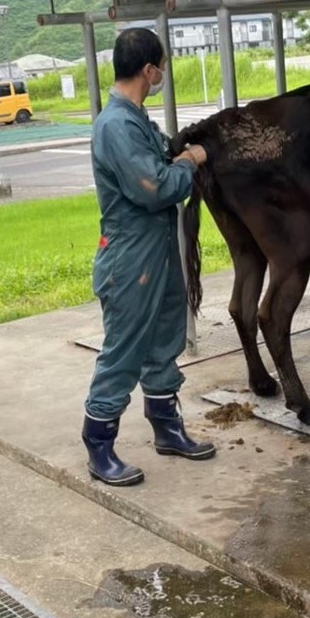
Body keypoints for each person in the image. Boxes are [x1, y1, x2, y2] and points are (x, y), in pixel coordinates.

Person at [82, 27, 214, 486]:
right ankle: (99, 445)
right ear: (149, 70)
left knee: (164, 339)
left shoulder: (135, 118)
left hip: (157, 249)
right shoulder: (117, 125)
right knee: (125, 349)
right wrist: (190, 162)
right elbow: (153, 188)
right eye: (162, 67)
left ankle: (166, 428)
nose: (163, 75)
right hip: (130, 256)